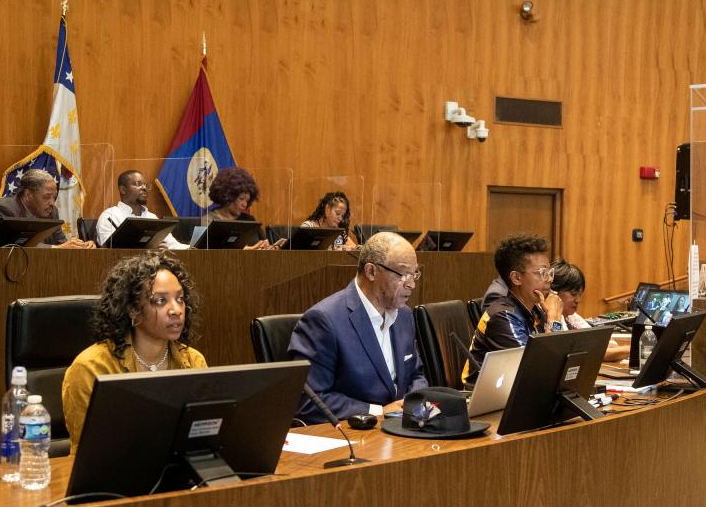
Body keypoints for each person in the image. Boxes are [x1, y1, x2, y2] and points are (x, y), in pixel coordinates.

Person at [61, 250, 206, 453]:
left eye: (180, 299)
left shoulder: (193, 361)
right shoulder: (91, 368)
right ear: (133, 309)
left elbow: (202, 438)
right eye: (160, 301)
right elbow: (91, 453)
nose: (176, 310)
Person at [288, 231, 428, 422]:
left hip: (402, 430)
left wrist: (414, 404)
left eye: (414, 274)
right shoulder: (324, 320)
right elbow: (309, 401)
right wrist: (379, 411)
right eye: (403, 274)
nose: (411, 284)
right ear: (371, 272)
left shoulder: (404, 316)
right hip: (355, 435)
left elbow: (415, 374)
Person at [462, 234, 564, 386]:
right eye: (542, 273)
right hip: (487, 402)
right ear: (516, 278)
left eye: (549, 273)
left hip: (521, 394)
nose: (549, 279)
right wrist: (554, 319)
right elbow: (534, 370)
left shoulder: (537, 309)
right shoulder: (503, 316)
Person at [549, 258, 629, 362]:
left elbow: (602, 342)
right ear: (553, 292)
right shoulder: (551, 318)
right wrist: (631, 349)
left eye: (580, 294)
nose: (578, 300)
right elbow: (590, 352)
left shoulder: (571, 317)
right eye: (573, 294)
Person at [0, 169, 95, 248]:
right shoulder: (4, 209)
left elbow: (61, 243)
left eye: (54, 197)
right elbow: (10, 245)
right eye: (47, 197)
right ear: (28, 195)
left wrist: (81, 246)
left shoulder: (51, 212)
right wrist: (56, 248)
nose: (52, 203)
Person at [96, 170, 188, 249]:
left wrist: (194, 247)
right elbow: (107, 250)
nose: (144, 188)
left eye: (145, 184)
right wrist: (149, 250)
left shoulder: (152, 217)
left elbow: (173, 245)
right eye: (138, 184)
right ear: (123, 189)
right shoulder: (110, 216)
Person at [205, 166, 273, 249]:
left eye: (247, 201)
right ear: (228, 196)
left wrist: (266, 246)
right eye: (241, 199)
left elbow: (265, 243)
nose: (245, 205)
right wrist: (244, 251)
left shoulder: (249, 220)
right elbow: (208, 253)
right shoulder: (209, 221)